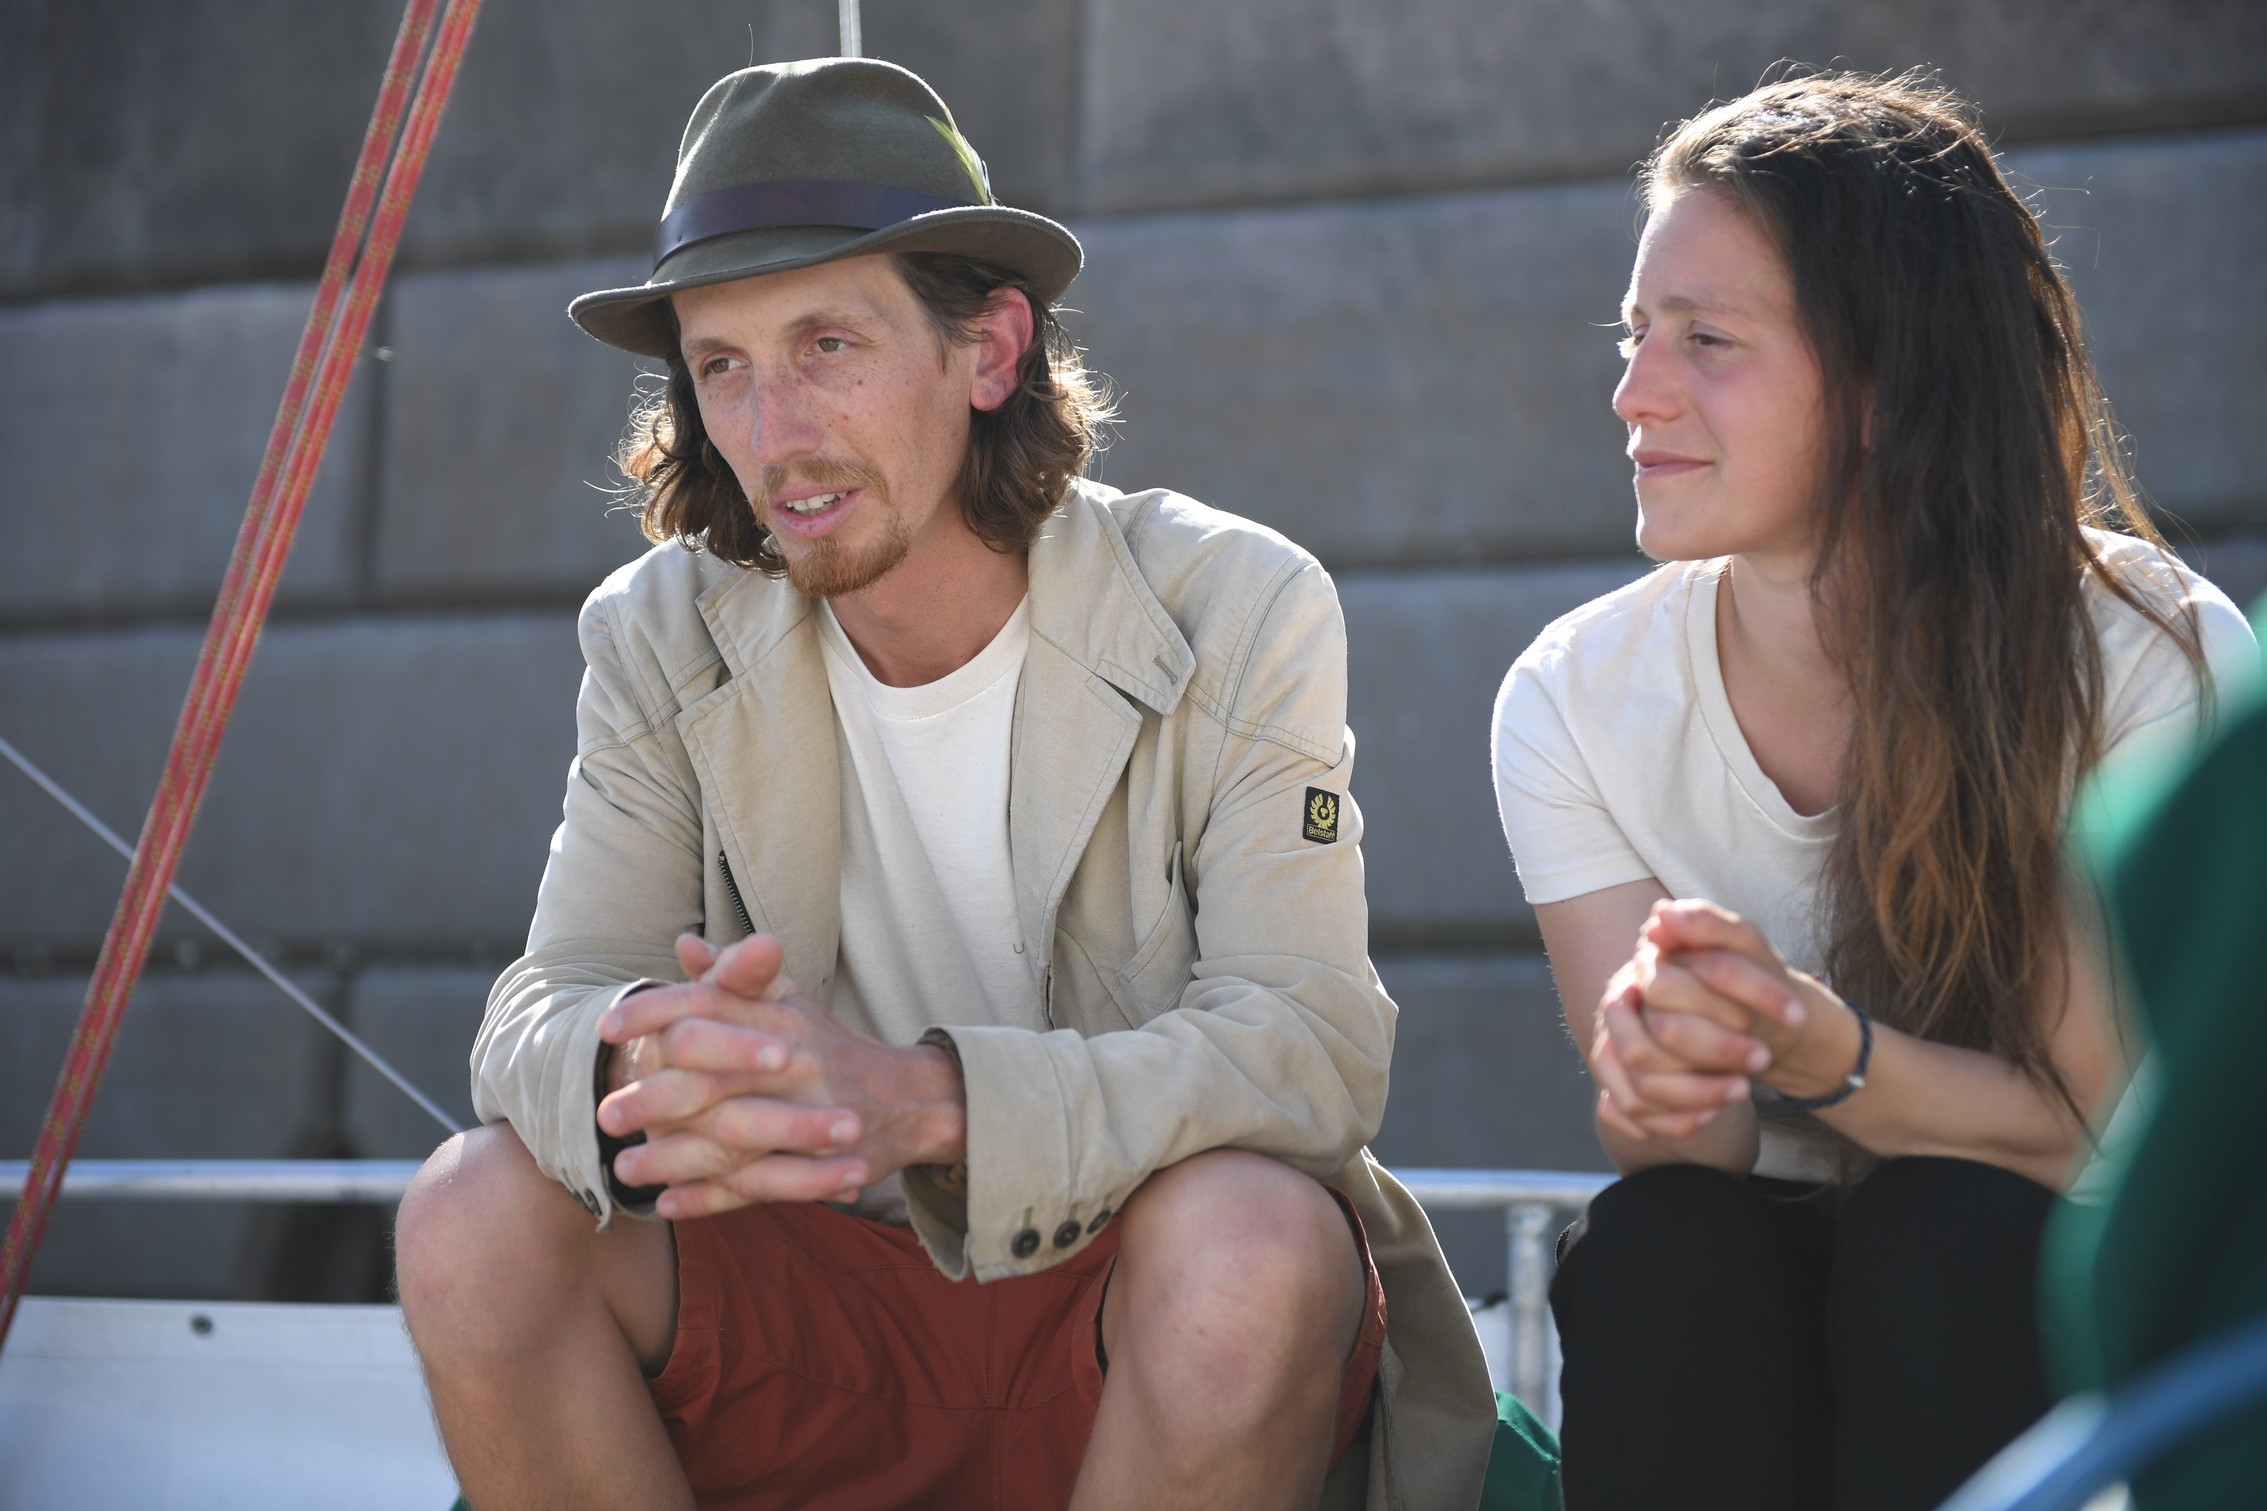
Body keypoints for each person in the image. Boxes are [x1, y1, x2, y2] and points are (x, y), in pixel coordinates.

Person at [392, 57, 1494, 1511]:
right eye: (721, 365)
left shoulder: (1236, 601)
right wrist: (640, 1061)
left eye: (828, 344)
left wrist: (928, 1106)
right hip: (809, 1304)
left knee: (1252, 1243)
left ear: (987, 353)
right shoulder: (656, 632)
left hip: (1117, 1304)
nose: (774, 432)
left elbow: (1312, 1045)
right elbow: (538, 1012)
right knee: (471, 1211)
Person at [1488, 71, 2259, 1511]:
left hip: (2018, 1271)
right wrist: (1678, 1067)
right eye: (1634, 333)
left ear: (1888, 382)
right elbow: (1676, 1147)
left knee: (1945, 1227)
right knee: (1657, 1243)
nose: (1634, 391)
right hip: (1743, 1267)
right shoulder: (1571, 695)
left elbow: (2110, 1127)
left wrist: (1818, 1045)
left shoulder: (2145, 651)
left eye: (1706, 340)